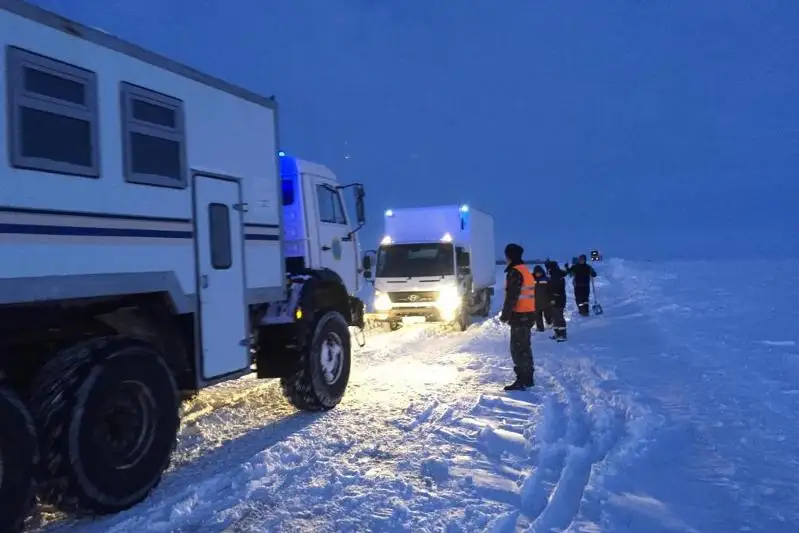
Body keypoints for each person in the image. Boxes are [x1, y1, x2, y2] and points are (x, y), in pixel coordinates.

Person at [499, 243, 536, 391]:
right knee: (525, 347)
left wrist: (505, 315)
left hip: (520, 315)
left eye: (506, 255)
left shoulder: (515, 272)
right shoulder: (525, 270)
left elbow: (512, 297)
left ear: (510, 256)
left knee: (518, 348)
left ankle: (522, 379)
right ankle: (528, 378)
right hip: (528, 313)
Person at [545, 260, 568, 341]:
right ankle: (557, 333)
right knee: (554, 317)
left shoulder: (557, 276)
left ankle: (563, 334)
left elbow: (555, 288)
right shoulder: (552, 275)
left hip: (559, 299)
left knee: (559, 317)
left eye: (549, 267)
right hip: (553, 299)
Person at [532, 265, 551, 332]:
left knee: (548, 314)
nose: (538, 274)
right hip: (536, 302)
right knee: (537, 316)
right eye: (536, 272)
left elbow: (551, 289)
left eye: (539, 272)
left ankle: (550, 324)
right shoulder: (531, 279)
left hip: (546, 301)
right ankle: (540, 328)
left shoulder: (546, 279)